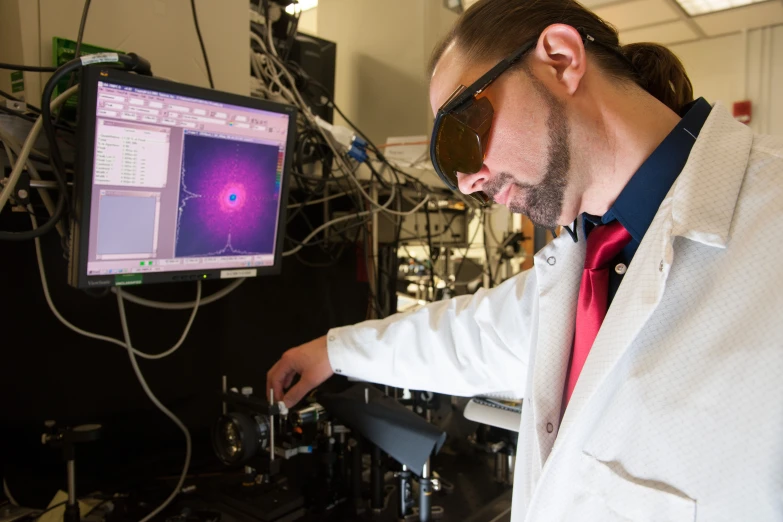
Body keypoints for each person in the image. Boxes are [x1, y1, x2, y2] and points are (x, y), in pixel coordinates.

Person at [268, 0, 783, 519]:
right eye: (450, 168)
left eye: (459, 133)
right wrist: (332, 352)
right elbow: (468, 338)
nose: (468, 182)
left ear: (560, 59)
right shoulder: (590, 258)